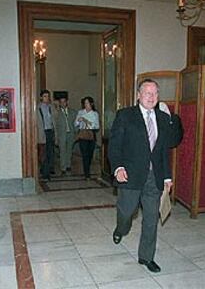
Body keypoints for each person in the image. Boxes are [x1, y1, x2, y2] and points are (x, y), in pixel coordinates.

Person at [108, 79, 172, 273]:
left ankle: (146, 257)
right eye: (147, 93)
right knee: (126, 212)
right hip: (130, 175)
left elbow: (163, 150)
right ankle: (121, 229)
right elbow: (115, 145)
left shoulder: (162, 117)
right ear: (138, 95)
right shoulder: (125, 115)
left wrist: (167, 176)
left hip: (154, 177)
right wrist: (118, 167)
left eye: (155, 93)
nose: (151, 97)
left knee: (151, 218)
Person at [74, 96, 99, 180]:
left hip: (91, 134)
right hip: (83, 135)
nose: (86, 105)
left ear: (91, 103)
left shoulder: (95, 114)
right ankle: (86, 174)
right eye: (84, 103)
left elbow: (96, 126)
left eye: (87, 103)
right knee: (85, 155)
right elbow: (75, 124)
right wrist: (79, 120)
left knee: (90, 154)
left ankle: (87, 168)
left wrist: (88, 121)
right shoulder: (81, 112)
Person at [55, 95, 77, 176]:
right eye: (61, 102)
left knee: (69, 150)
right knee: (62, 151)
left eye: (64, 101)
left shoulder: (73, 112)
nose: (63, 103)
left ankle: (68, 165)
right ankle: (63, 168)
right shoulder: (57, 113)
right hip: (62, 135)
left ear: (67, 102)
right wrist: (56, 137)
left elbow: (76, 124)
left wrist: (76, 133)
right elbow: (56, 126)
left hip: (70, 134)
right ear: (60, 103)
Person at [37, 89, 56, 180]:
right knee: (43, 153)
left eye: (48, 96)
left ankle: (47, 170)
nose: (47, 98)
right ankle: (45, 173)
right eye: (45, 96)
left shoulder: (51, 107)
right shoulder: (37, 108)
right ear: (41, 97)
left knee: (50, 153)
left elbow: (55, 120)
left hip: (50, 131)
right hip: (42, 132)